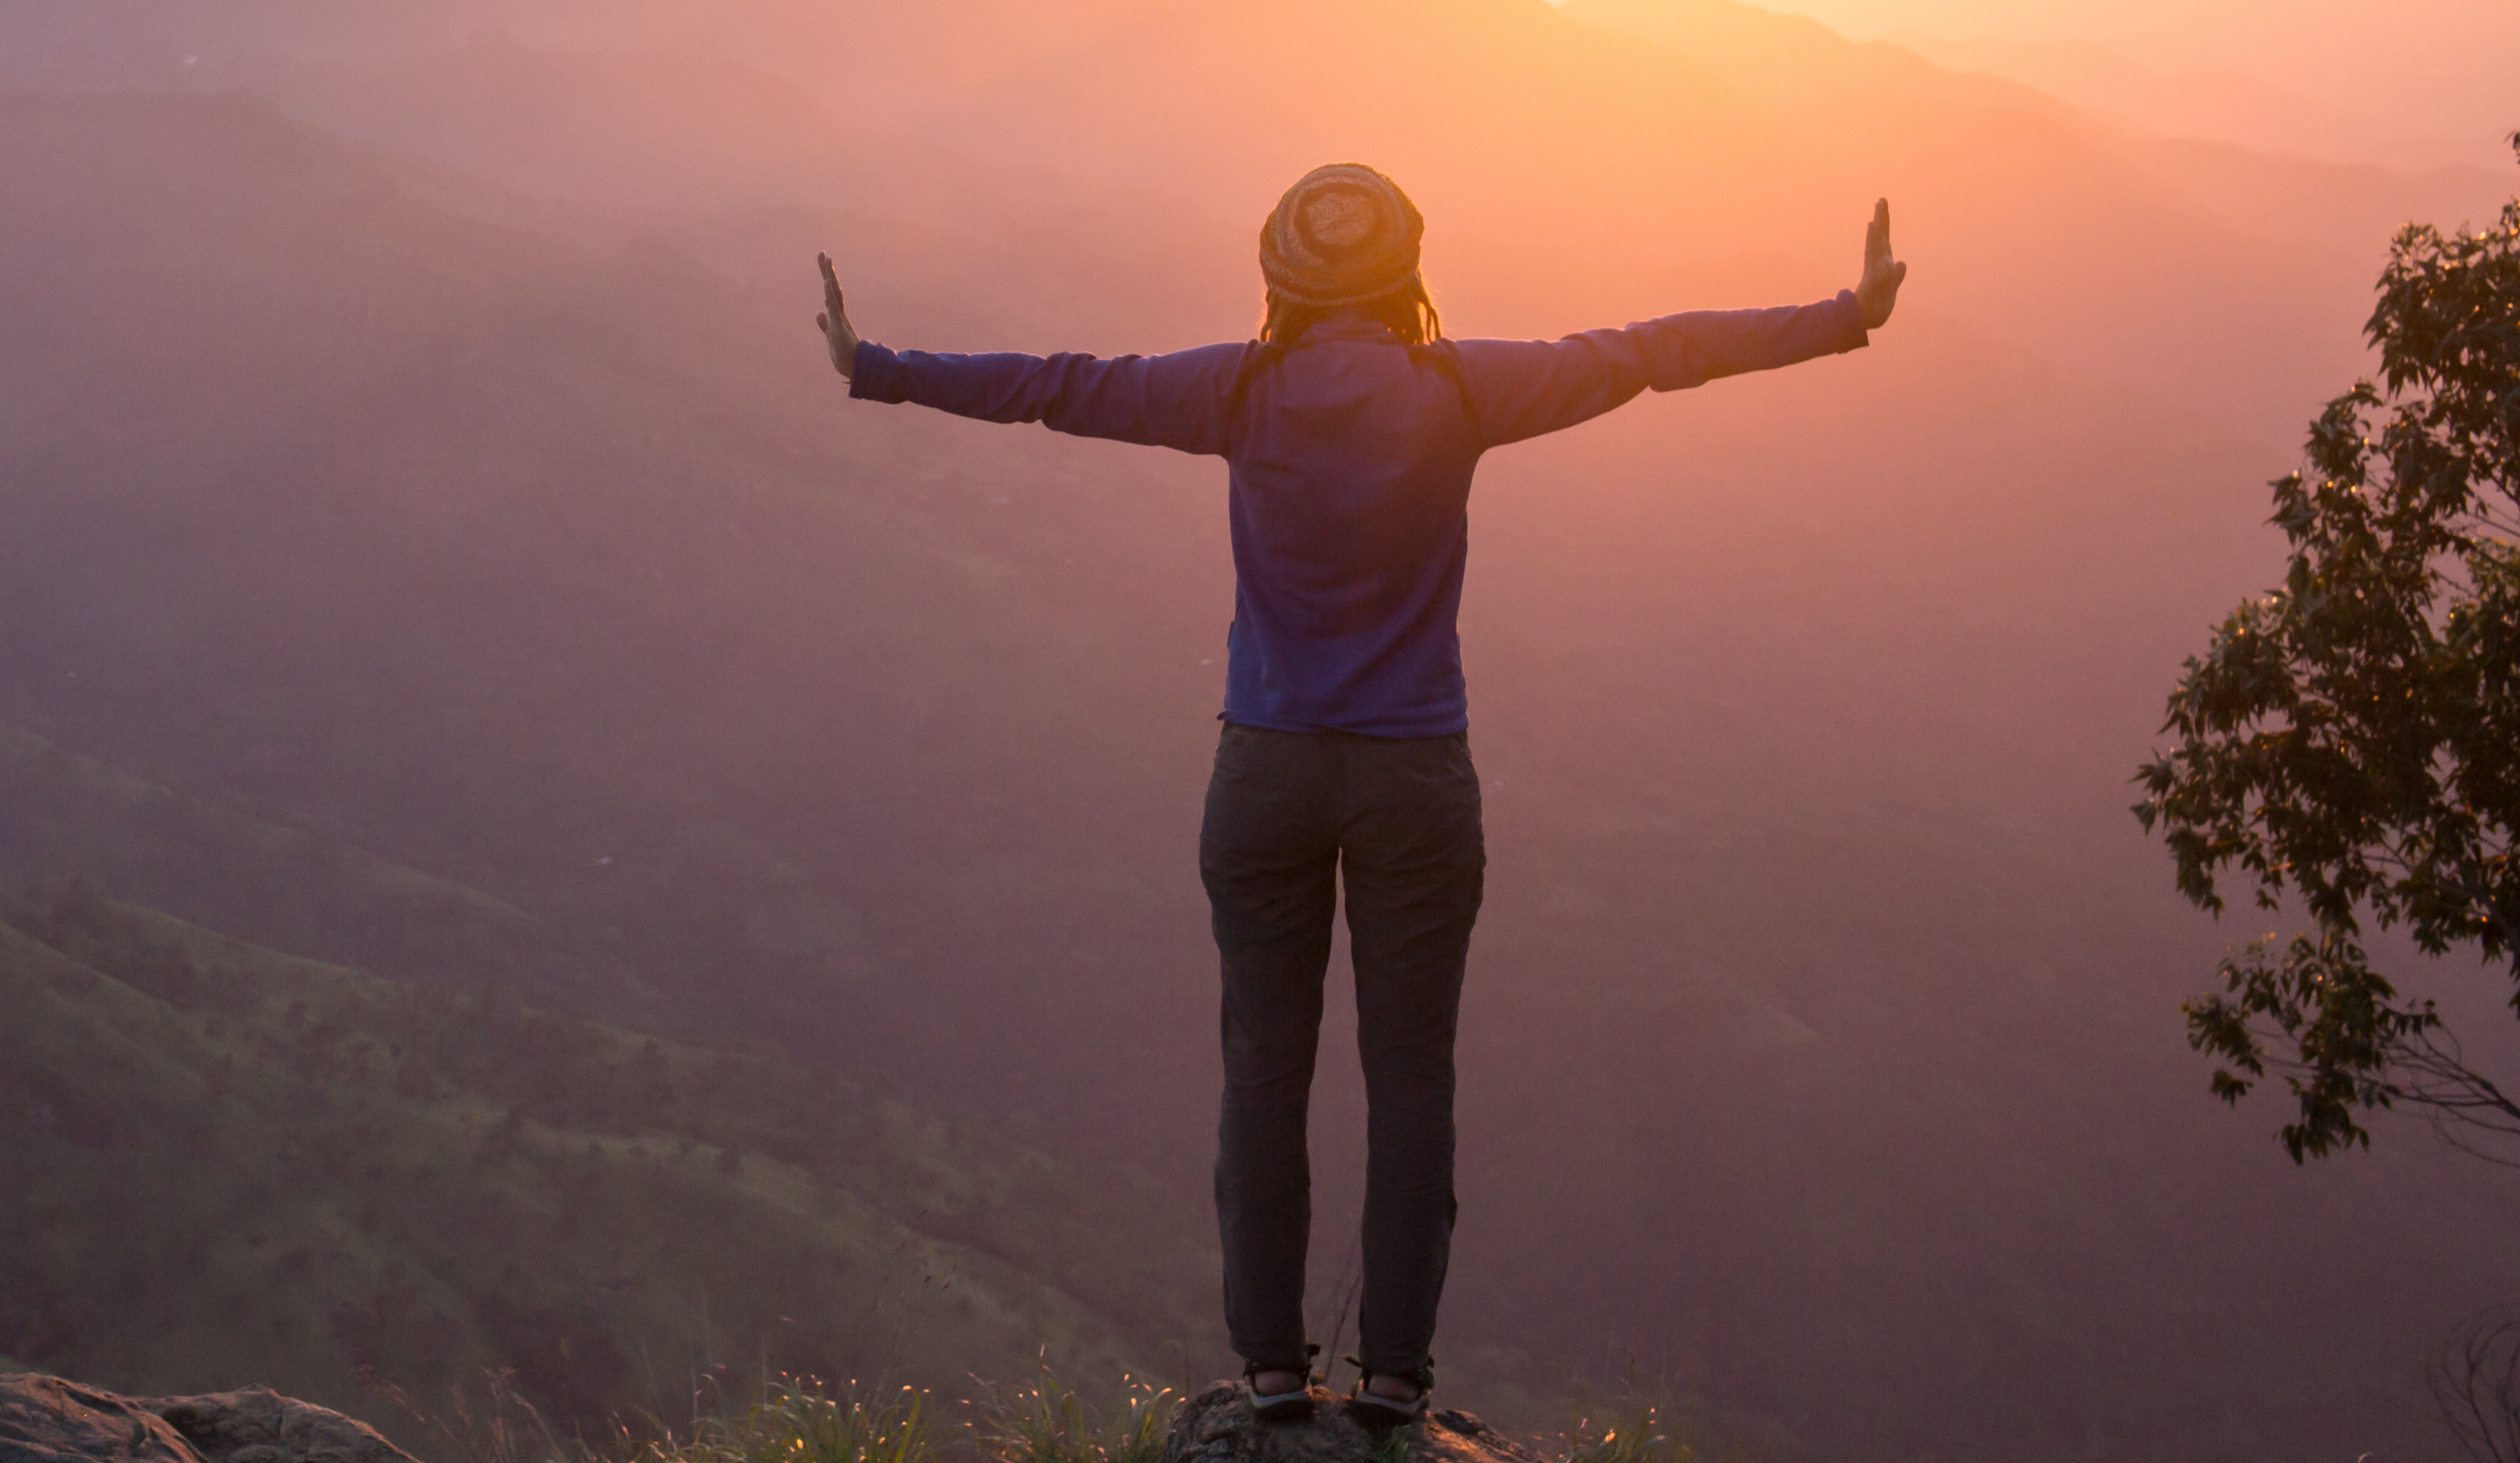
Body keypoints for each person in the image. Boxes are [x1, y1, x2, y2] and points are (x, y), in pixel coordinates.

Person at [810, 164, 1906, 1432]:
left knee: (1263, 1074)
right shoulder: (1460, 387)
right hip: (1413, 779)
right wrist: (1845, 314)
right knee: (1411, 1079)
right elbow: (1652, 352)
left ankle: (1271, 1372)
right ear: (1406, 272)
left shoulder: (1236, 387)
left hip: (1264, 772)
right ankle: (1394, 1380)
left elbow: (1056, 384)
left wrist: (874, 364)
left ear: (1278, 275)